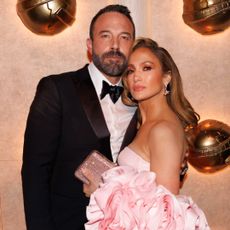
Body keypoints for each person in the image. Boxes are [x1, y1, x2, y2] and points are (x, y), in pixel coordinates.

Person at [21, 4, 137, 230]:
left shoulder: (142, 98)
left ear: (132, 45)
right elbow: (35, 172)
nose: (115, 45)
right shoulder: (56, 89)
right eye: (106, 36)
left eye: (124, 37)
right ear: (90, 45)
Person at [84, 38, 210, 229]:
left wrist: (103, 191)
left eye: (147, 68)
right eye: (130, 71)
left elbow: (165, 216)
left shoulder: (162, 130)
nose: (136, 77)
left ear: (166, 77)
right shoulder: (144, 123)